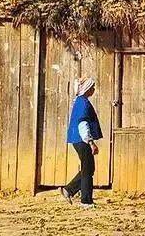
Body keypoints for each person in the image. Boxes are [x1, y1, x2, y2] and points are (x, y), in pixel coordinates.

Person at [60, 76, 103, 207]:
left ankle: (69, 190)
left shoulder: (80, 101)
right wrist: (90, 142)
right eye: (92, 87)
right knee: (88, 169)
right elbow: (82, 123)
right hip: (81, 140)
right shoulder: (83, 103)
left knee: (88, 168)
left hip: (78, 140)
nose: (94, 89)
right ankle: (86, 201)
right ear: (87, 89)